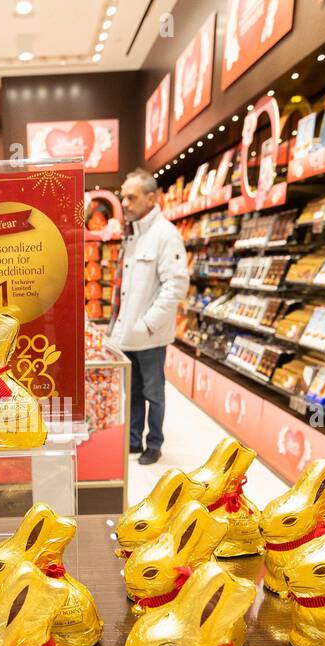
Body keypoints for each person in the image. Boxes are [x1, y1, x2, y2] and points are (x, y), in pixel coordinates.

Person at [108, 169, 188, 465]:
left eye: (132, 197)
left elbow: (176, 285)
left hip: (150, 335)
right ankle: (132, 440)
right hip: (129, 332)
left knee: (154, 392)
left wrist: (148, 324)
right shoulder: (134, 235)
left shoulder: (165, 234)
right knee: (134, 391)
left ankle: (154, 444)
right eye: (123, 197)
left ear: (151, 198)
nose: (125, 203)